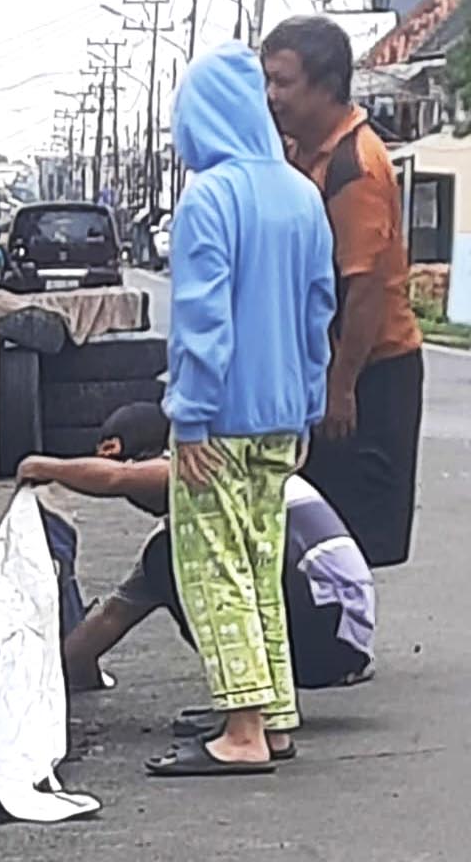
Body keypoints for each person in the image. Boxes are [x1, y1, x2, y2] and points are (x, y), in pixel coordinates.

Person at [151, 40, 336, 776]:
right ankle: (276, 715)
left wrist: (188, 414)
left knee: (213, 568)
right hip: (284, 416)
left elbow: (202, 317)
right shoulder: (301, 193)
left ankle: (243, 730)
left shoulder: (209, 196)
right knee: (262, 564)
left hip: (219, 419)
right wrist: (311, 407)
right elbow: (320, 310)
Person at [20, 404, 376, 722]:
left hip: (327, 627)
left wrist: (45, 466)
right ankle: (250, 704)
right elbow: (111, 618)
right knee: (165, 559)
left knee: (168, 557)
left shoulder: (209, 467)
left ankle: (246, 707)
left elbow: (119, 478)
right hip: (339, 637)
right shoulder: (191, 527)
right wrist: (60, 671)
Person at [263, 16, 425, 570]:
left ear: (326, 85)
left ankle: (343, 640)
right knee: (315, 512)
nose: (272, 96)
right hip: (329, 364)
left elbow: (365, 290)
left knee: (352, 525)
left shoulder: (358, 165)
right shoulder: (303, 155)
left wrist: (342, 387)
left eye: (283, 82)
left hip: (371, 367)